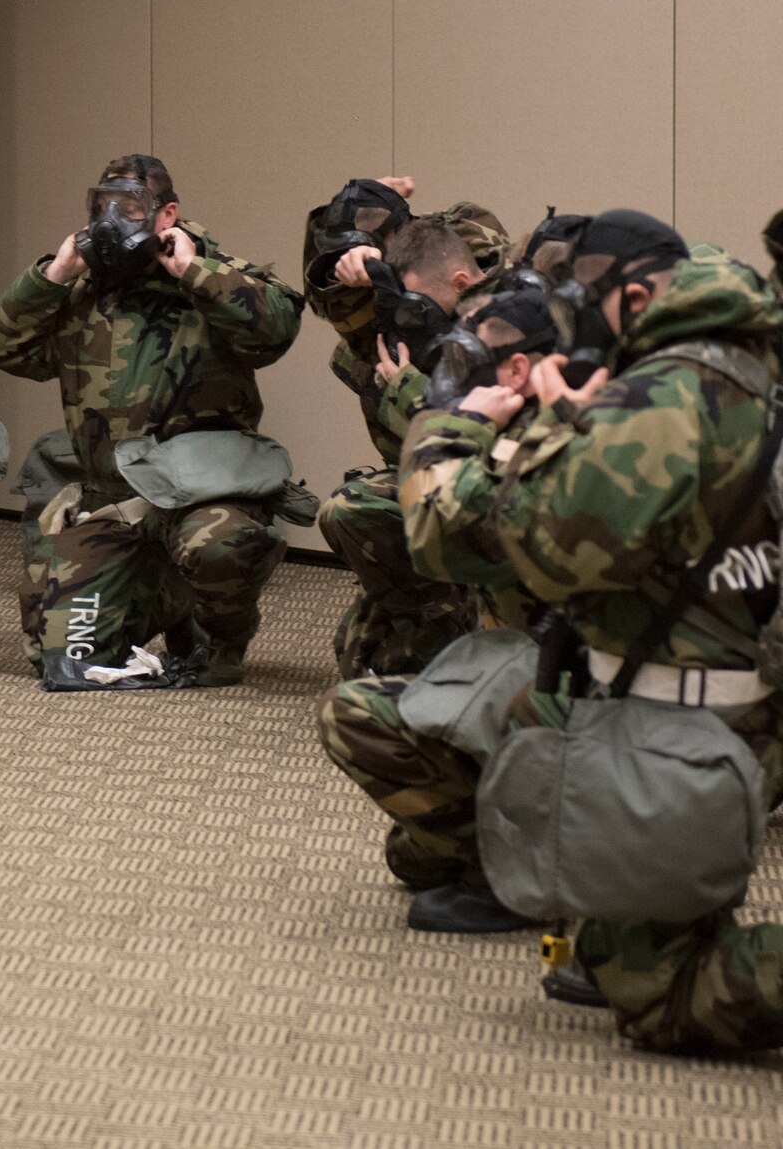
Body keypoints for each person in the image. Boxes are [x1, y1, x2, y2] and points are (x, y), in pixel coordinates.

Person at [481, 214, 783, 1051]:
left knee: (658, 993)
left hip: (693, 715)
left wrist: (559, 425)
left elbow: (551, 555)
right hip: (752, 684)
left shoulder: (664, 395)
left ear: (640, 296)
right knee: (616, 940)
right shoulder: (755, 354)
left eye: (588, 311)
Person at [0, 155, 303, 687]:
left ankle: (220, 633)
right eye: (102, 208)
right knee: (61, 659)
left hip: (202, 497)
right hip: (113, 502)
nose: (113, 221)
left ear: (166, 214)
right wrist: (55, 273)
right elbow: (4, 349)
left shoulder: (214, 277)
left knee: (218, 548)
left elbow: (273, 333)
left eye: (130, 208)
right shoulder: (82, 294)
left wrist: (192, 271)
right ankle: (167, 600)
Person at [315, 268, 561, 934]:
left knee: (358, 719)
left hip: (588, 705)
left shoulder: (542, 449)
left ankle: (515, 870)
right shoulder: (614, 418)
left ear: (516, 370)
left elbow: (436, 543)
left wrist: (452, 426)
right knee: (412, 854)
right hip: (643, 697)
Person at [302, 179, 510, 677]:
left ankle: (477, 634)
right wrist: (364, 210)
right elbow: (317, 294)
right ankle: (449, 624)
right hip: (439, 489)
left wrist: (406, 390)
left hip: (504, 491)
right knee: (362, 656)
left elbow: (481, 441)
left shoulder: (504, 320)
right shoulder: (390, 321)